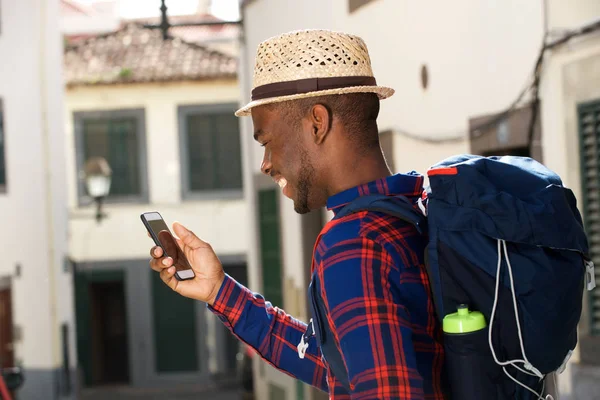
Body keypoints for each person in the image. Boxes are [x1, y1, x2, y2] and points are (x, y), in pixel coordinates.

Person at [149, 29, 446, 399]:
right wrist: (219, 290)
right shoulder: (414, 206)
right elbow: (337, 366)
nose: (265, 164)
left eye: (267, 141)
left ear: (317, 123)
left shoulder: (352, 244)